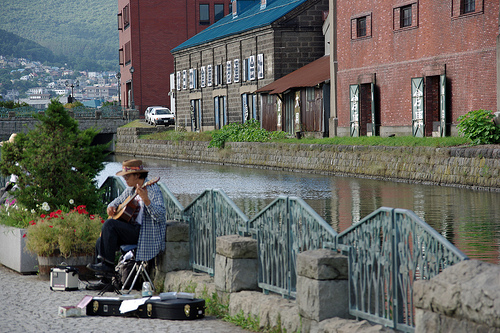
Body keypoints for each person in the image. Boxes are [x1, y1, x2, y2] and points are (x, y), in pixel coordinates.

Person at [87, 159, 167, 283]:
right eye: (124, 176)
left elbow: (161, 215)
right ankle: (104, 281)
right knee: (100, 241)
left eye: (127, 176)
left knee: (109, 224)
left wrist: (147, 200)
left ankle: (107, 266)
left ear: (138, 175)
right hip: (132, 231)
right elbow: (117, 201)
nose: (125, 179)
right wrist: (111, 207)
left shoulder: (152, 189)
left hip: (145, 234)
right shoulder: (131, 190)